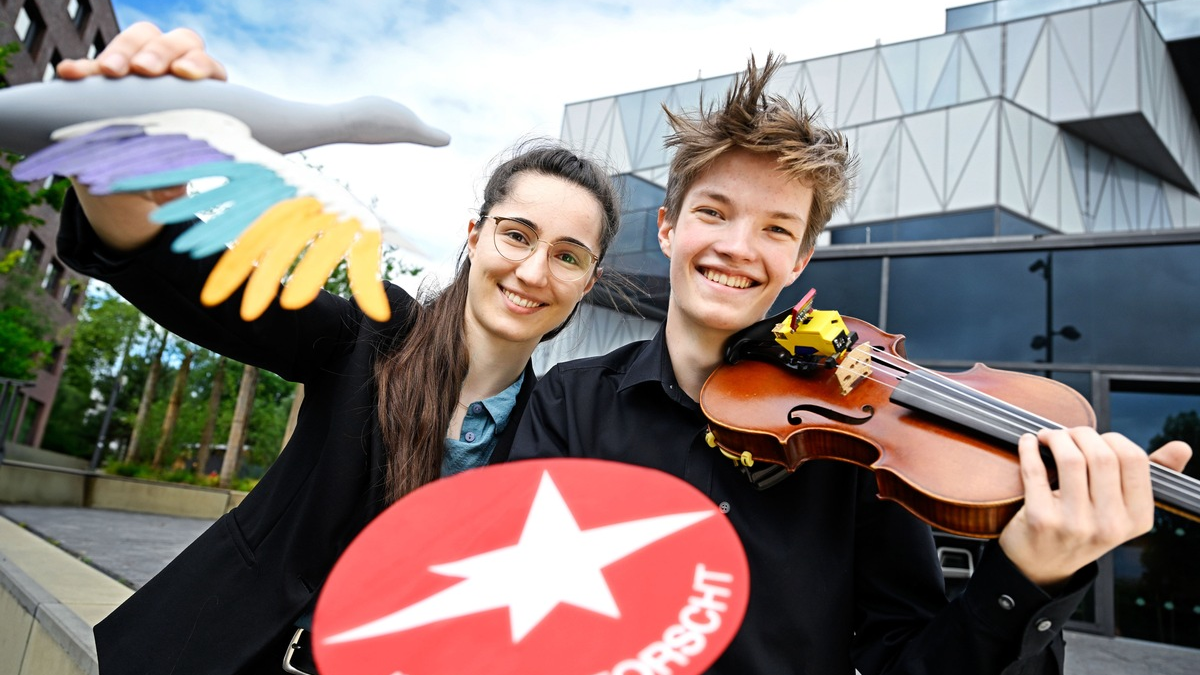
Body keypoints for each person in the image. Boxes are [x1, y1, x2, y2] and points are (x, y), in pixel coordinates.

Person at [510, 53, 1193, 674]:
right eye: (714, 212)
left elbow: (912, 662)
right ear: (667, 226)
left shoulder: (855, 448)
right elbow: (515, 617)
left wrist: (1023, 578)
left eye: (776, 227)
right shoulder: (569, 405)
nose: (739, 247)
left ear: (801, 259)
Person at [54, 25, 621, 675]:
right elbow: (192, 273)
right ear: (475, 233)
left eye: (568, 255)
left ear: (589, 280)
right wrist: (118, 174)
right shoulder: (372, 333)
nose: (533, 270)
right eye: (517, 235)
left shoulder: (557, 428)